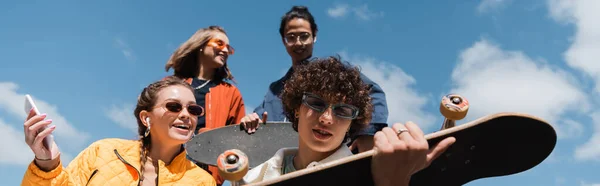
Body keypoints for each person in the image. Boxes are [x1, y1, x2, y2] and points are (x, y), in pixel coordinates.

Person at [234, 56, 455, 186]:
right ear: (296, 109)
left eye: (343, 111)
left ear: (352, 123)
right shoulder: (255, 176)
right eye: (316, 103)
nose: (327, 118)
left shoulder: (376, 175)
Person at [20, 76, 216, 186]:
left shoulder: (202, 181)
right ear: (146, 118)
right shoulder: (103, 152)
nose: (185, 114)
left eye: (193, 109)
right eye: (173, 106)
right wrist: (47, 164)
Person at [246, 6, 388, 153]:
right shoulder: (274, 90)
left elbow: (373, 93)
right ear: (283, 40)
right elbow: (257, 118)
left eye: (304, 36)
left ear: (314, 36)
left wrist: (367, 134)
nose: (298, 43)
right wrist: (249, 121)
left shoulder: (333, 72)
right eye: (291, 37)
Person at [164, 25, 246, 185]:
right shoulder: (170, 85)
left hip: (206, 176)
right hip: (165, 169)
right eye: (219, 44)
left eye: (228, 48)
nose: (225, 51)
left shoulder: (231, 93)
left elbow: (238, 143)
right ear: (201, 45)